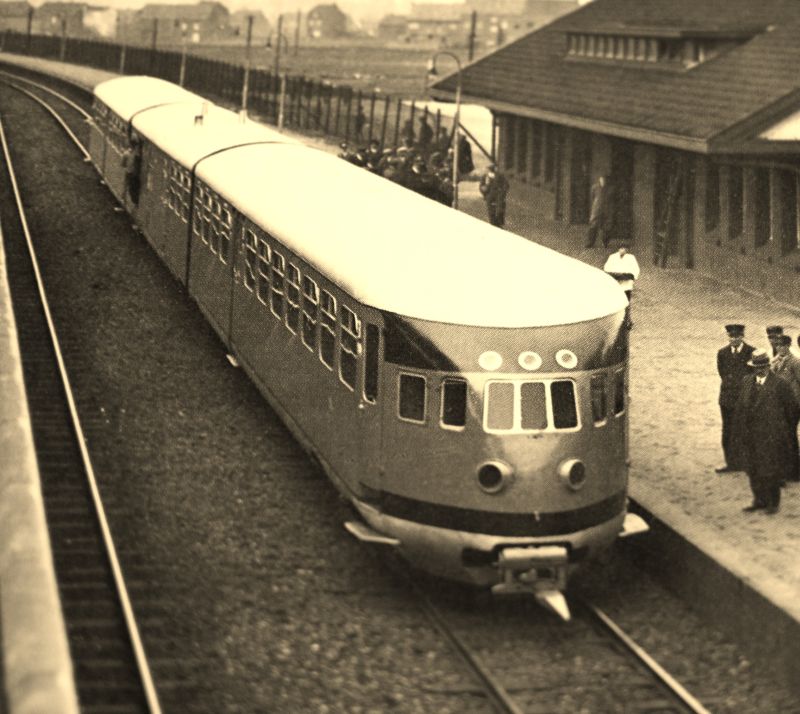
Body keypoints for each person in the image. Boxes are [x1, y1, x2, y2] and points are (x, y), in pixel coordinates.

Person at [732, 348, 798, 514]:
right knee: (752, 469)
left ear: (768, 366)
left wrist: (781, 430)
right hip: (750, 435)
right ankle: (759, 500)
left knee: (770, 470)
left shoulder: (780, 384)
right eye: (756, 367)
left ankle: (773, 502)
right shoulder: (746, 381)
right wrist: (739, 432)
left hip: (771, 436)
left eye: (762, 366)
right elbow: (740, 408)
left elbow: (792, 410)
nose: (759, 370)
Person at [715, 324, 755, 473]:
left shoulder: (752, 352)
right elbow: (722, 373)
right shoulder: (722, 353)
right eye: (731, 336)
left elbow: (753, 375)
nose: (734, 339)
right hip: (727, 398)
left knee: (745, 430)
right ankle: (731, 463)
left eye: (737, 336)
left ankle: (746, 463)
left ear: (742, 336)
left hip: (744, 398)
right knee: (728, 430)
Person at [771, 333, 800, 482]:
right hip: (779, 404)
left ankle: (794, 471)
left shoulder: (795, 362)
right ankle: (784, 469)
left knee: (789, 436)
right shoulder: (774, 361)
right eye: (777, 345)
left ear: (788, 346)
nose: (780, 348)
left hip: (792, 405)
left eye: (783, 345)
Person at [603, 244, 640, 328]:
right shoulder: (612, 257)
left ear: (627, 250)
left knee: (626, 303)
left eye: (624, 249)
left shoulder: (631, 258)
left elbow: (635, 270)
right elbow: (607, 268)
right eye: (621, 248)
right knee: (615, 303)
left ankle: (627, 320)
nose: (622, 250)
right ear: (618, 249)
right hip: (615, 284)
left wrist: (628, 276)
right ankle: (614, 321)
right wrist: (615, 275)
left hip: (626, 285)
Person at [586, 175, 610, 248]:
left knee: (606, 227)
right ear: (599, 179)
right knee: (593, 226)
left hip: (606, 210)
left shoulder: (609, 188)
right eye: (602, 179)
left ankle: (605, 242)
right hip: (596, 209)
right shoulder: (595, 188)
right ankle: (590, 242)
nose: (603, 181)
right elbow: (592, 198)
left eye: (604, 179)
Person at [122, 133, 143, 206]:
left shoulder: (126, 153)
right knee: (134, 188)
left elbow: (123, 164)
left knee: (127, 186)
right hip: (135, 174)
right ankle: (134, 202)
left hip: (129, 173)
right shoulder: (138, 154)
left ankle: (125, 201)